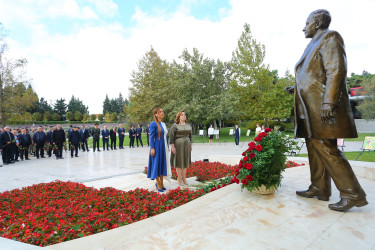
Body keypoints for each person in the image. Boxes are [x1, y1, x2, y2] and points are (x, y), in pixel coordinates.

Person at [286, 9, 367, 211]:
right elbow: (313, 75)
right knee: (314, 147)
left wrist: (329, 102)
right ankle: (319, 187)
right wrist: (296, 87)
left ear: (318, 22)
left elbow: (336, 70)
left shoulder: (331, 37)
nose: (303, 28)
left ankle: (353, 194)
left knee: (326, 147)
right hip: (309, 106)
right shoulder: (312, 43)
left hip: (322, 105)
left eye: (307, 23)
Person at [147, 107, 168, 192]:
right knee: (156, 164)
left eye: (162, 111)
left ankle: (162, 183)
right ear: (156, 114)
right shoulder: (153, 124)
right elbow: (151, 137)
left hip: (163, 147)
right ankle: (158, 183)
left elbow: (166, 136)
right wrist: (152, 148)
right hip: (156, 146)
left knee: (162, 164)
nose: (162, 113)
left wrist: (168, 147)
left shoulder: (163, 124)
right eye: (160, 112)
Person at [170, 111, 193, 186]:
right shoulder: (175, 126)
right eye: (182, 115)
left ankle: (184, 178)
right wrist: (173, 147)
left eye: (184, 114)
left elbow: (190, 136)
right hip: (178, 146)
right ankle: (179, 178)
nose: (184, 116)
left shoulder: (188, 125)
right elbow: (171, 137)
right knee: (179, 161)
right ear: (179, 117)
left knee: (185, 161)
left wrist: (191, 145)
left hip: (187, 145)